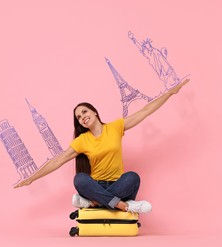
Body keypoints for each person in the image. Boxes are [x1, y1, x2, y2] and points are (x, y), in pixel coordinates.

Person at [15, 78, 190, 214]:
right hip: (95, 186)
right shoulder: (82, 140)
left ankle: (94, 203)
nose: (82, 117)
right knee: (80, 179)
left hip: (118, 185)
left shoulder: (114, 127)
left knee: (133, 177)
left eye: (84, 112)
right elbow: (57, 160)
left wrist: (169, 93)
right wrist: (32, 178)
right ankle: (123, 205)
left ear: (94, 112)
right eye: (78, 117)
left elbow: (144, 111)